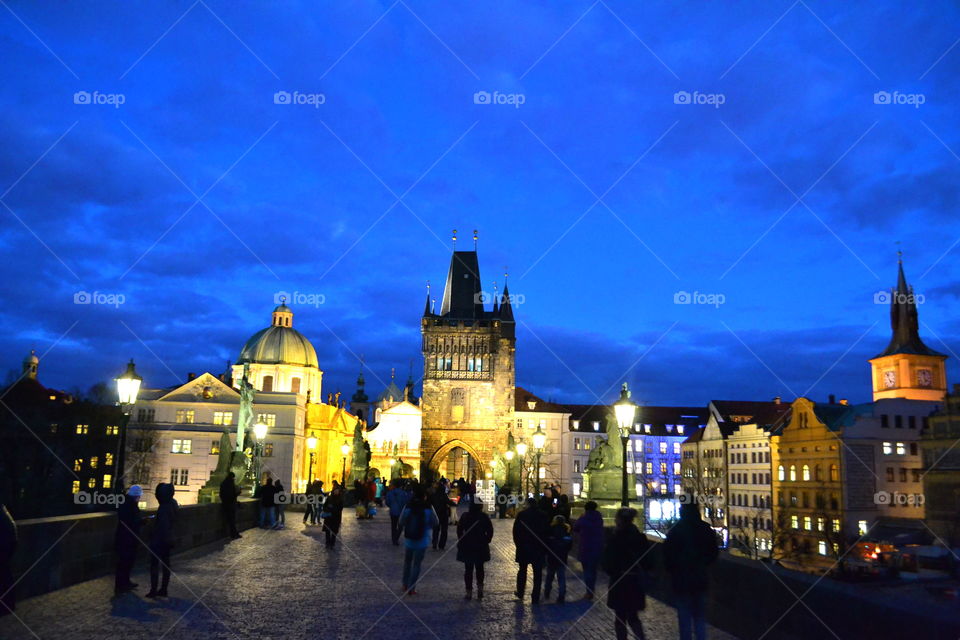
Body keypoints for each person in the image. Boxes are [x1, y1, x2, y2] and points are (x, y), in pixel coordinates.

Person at [664, 503, 719, 640]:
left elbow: (667, 555)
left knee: (684, 618)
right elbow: (713, 552)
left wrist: (673, 570)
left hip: (681, 581)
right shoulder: (705, 529)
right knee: (699, 618)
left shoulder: (676, 530)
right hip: (700, 579)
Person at [603, 508, 653, 640]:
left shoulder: (615, 538)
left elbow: (607, 562)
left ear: (618, 520)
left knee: (620, 617)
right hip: (635, 581)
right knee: (633, 616)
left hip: (619, 580)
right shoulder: (640, 538)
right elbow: (648, 561)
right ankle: (641, 638)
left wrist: (613, 570)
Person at [399, 485, 439, 596]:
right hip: (422, 540)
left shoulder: (408, 506)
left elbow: (401, 521)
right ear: (424, 496)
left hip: (409, 539)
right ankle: (412, 588)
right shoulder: (428, 507)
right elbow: (435, 522)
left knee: (407, 562)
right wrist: (427, 525)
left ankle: (405, 584)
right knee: (416, 564)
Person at [513, 497, 548, 603]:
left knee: (522, 569)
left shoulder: (522, 515)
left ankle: (520, 592)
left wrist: (518, 544)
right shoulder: (543, 515)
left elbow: (516, 531)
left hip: (524, 546)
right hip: (538, 547)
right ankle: (535, 596)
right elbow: (546, 531)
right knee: (537, 572)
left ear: (528, 504)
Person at [146, 482, 179, 598]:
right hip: (169, 538)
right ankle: (163, 589)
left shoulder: (164, 507)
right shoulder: (173, 503)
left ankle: (154, 590)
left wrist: (153, 528)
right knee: (166, 565)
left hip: (160, 540)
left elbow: (162, 526)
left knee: (154, 565)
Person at [456, 501, 493, 600]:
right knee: (480, 568)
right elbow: (490, 530)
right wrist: (487, 540)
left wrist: (461, 539)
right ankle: (480, 590)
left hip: (467, 545)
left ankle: (469, 592)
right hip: (480, 545)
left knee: (468, 569)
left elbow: (459, 529)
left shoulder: (465, 516)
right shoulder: (484, 516)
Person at [114, 485, 144, 594]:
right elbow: (132, 522)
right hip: (128, 538)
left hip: (125, 537)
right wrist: (142, 522)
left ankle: (124, 582)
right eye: (139, 496)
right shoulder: (130, 505)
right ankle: (122, 584)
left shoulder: (125, 503)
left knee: (125, 562)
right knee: (125, 562)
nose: (139, 498)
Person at [573, 500, 605, 600]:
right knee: (593, 570)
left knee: (587, 570)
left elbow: (575, 528)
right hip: (597, 546)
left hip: (585, 546)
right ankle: (592, 589)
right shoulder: (599, 518)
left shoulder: (584, 518)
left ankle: (589, 591)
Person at [544, 514, 573, 603]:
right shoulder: (566, 532)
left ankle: (547, 591)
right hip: (562, 557)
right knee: (561, 577)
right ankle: (561, 594)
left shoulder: (550, 531)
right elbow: (569, 545)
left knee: (549, 576)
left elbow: (546, 544)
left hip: (551, 557)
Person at [0, 502, 17, 616]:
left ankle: (5, 605)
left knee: (3, 573)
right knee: (5, 572)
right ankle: (8, 604)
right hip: (8, 540)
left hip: (4, 542)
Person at [430, 483, 455, 550]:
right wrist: (454, 504)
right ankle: (441, 545)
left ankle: (434, 544)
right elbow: (449, 502)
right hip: (444, 514)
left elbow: (429, 503)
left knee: (436, 530)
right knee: (444, 531)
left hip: (436, 514)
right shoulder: (444, 495)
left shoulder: (433, 495)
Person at [385, 480, 410, 546]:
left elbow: (387, 502)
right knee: (400, 526)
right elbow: (405, 502)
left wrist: (391, 506)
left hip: (393, 512)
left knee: (393, 526)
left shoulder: (390, 493)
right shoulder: (403, 493)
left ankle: (394, 539)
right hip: (401, 512)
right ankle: (396, 538)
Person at [219, 472, 242, 538]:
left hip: (225, 504)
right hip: (231, 505)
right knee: (232, 521)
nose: (234, 480)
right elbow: (232, 495)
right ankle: (234, 534)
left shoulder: (223, 483)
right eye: (233, 478)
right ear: (232, 477)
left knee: (229, 520)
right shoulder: (230, 484)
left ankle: (233, 534)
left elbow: (222, 495)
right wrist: (238, 493)